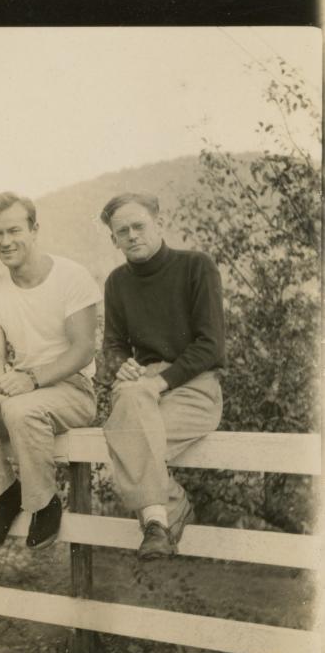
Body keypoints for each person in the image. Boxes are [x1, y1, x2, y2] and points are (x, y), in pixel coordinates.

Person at [0, 192, 101, 550]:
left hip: (70, 389)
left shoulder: (72, 276)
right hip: (21, 387)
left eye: (14, 231)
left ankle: (44, 503)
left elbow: (82, 350)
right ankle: (5, 492)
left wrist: (30, 379)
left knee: (19, 408)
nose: (5, 241)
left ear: (34, 230)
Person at [99, 192, 225, 560]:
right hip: (142, 389)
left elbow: (211, 346)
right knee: (131, 411)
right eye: (123, 231)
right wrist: (121, 363)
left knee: (125, 436)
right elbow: (113, 346)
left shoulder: (197, 267)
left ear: (159, 224)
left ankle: (165, 514)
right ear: (114, 240)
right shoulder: (116, 283)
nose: (133, 235)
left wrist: (158, 382)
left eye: (139, 225)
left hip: (194, 387)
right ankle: (162, 517)